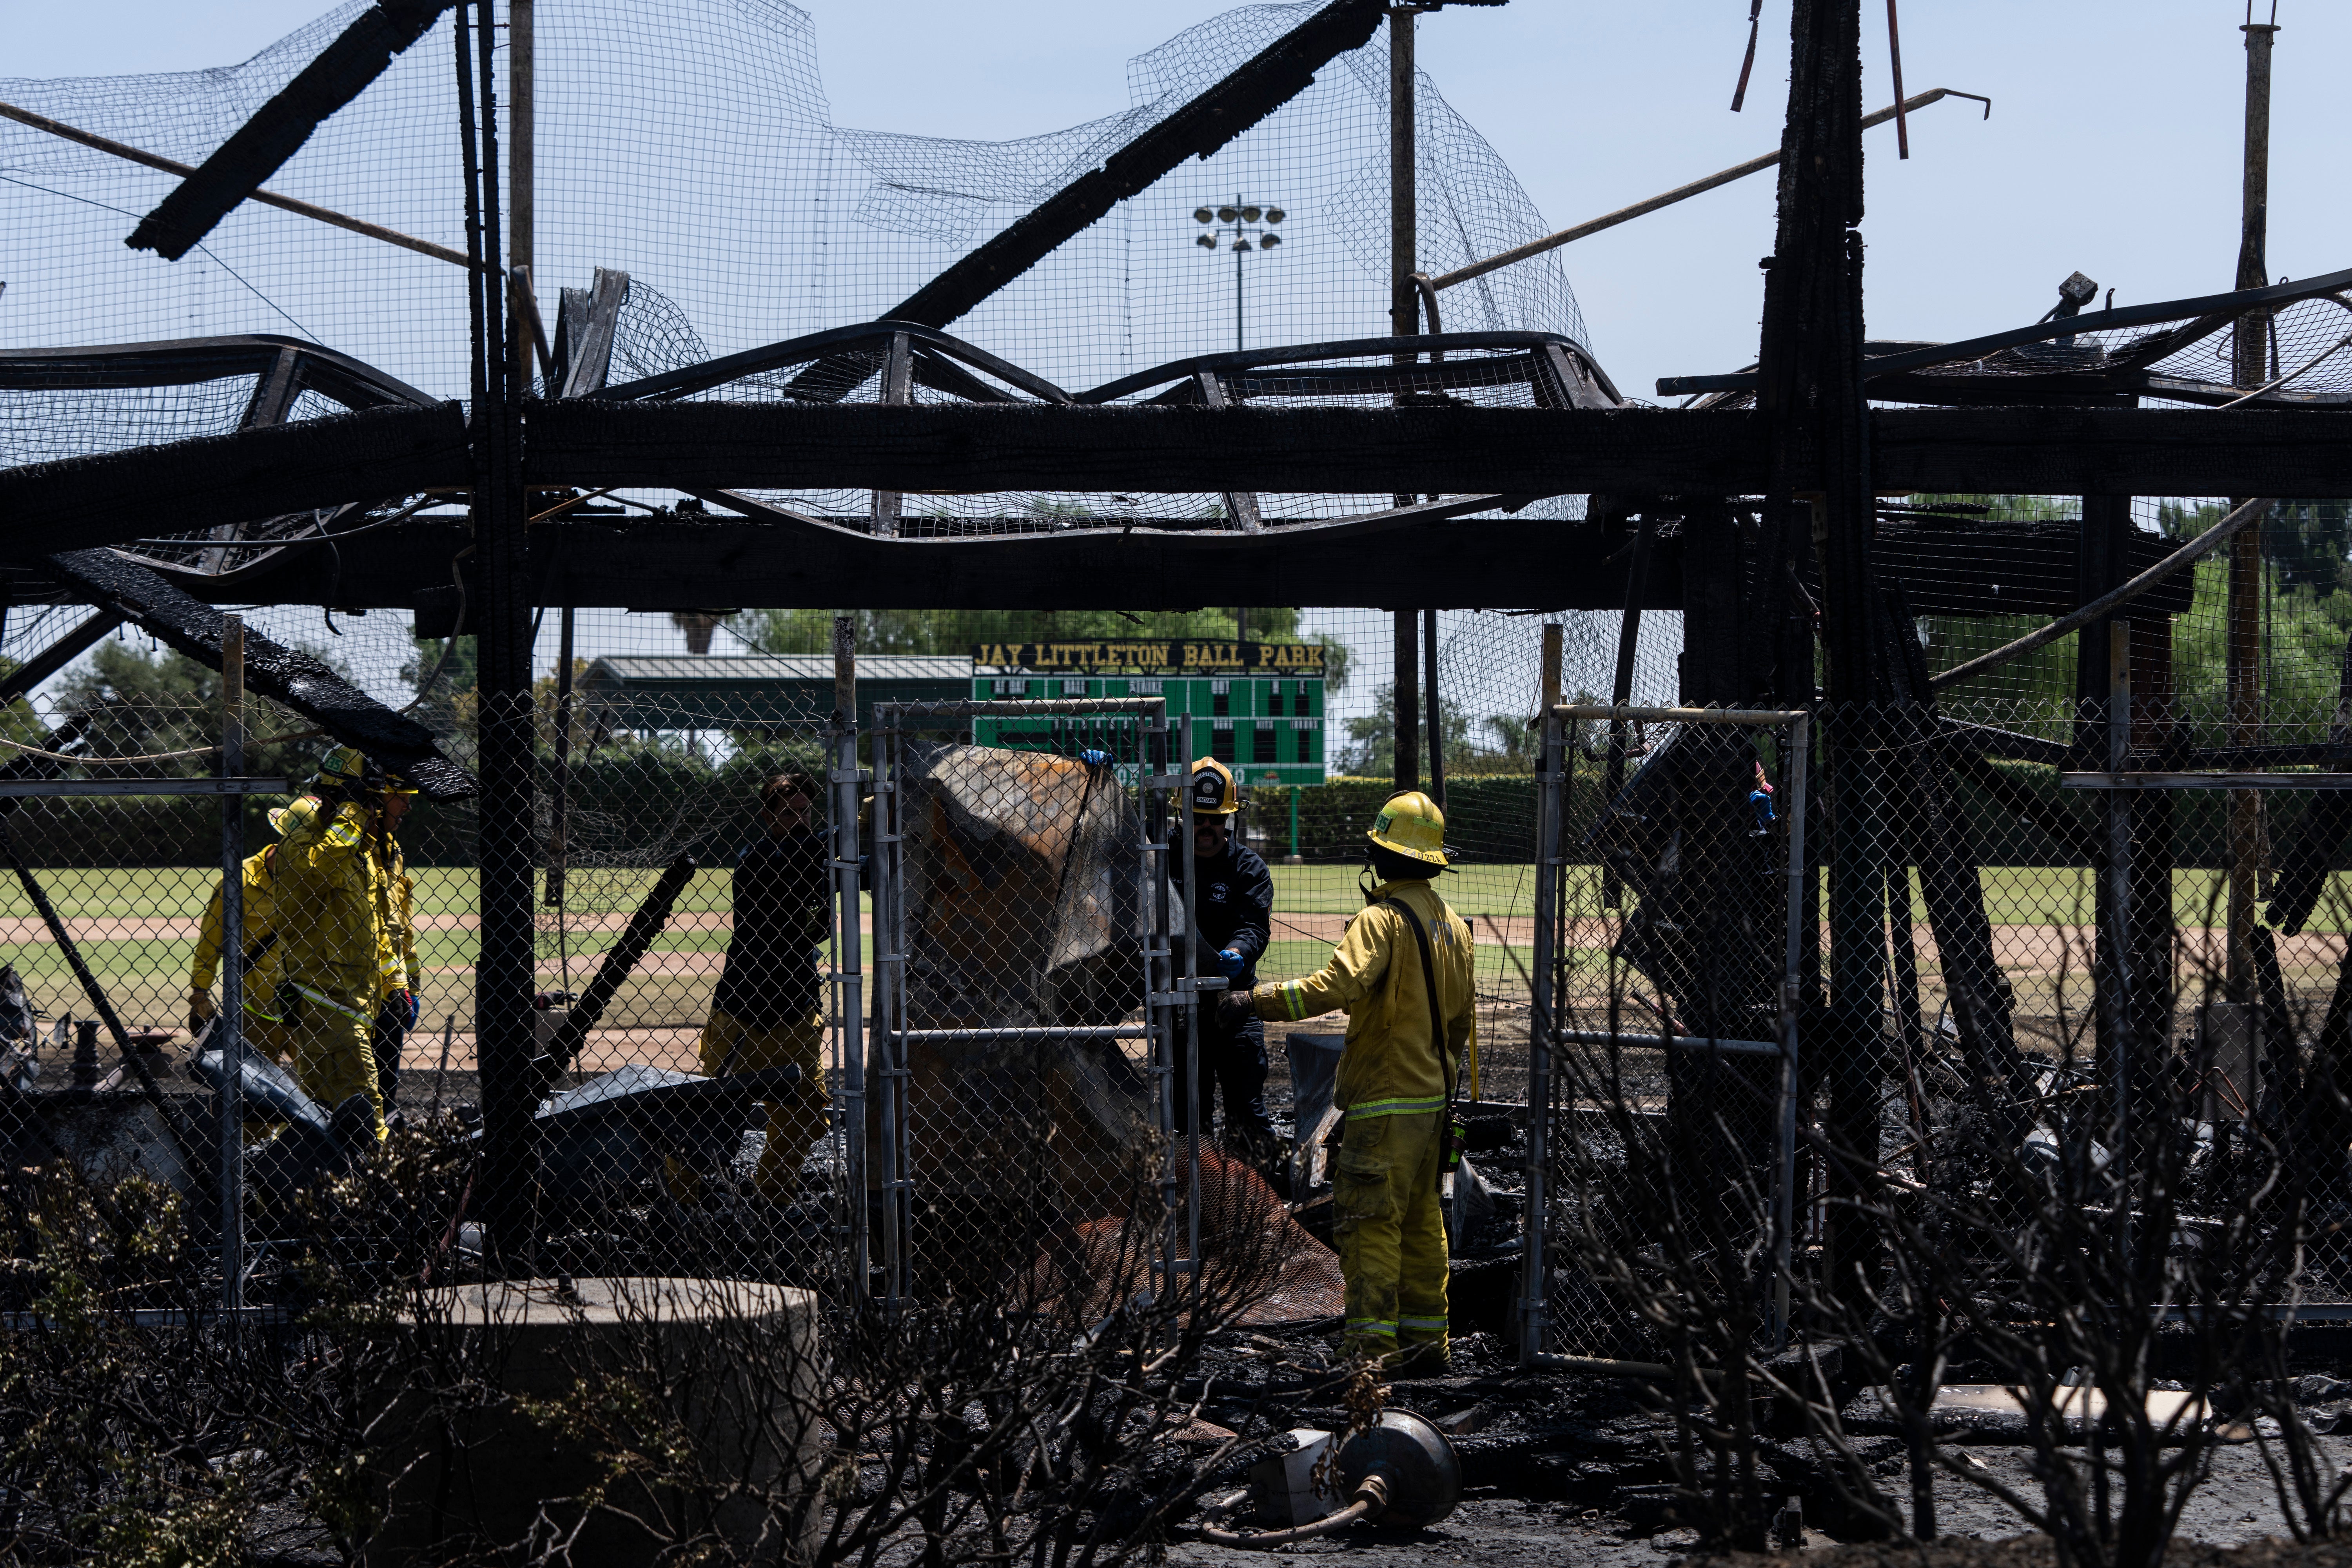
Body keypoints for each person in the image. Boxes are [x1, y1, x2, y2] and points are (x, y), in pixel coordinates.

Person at [1218, 789, 1474, 1372]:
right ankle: (1427, 1345)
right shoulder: (1454, 926)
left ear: (1379, 854)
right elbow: (1461, 1023)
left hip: (1383, 1108)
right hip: (1432, 1107)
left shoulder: (1380, 921)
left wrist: (1250, 1001)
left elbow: (1333, 987)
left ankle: (1369, 1355)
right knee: (1421, 1226)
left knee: (1370, 1230)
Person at [695, 769, 832, 1201]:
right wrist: (820, 852)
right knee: (712, 1114)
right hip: (742, 1008)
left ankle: (772, 1192)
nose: (800, 819)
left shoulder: (815, 855)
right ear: (768, 815)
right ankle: (681, 1198)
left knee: (809, 1112)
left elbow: (817, 927)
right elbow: (782, 919)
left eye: (805, 811)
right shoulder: (756, 858)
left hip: (795, 1005)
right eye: (789, 813)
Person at [264, 746, 405, 1138]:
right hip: (328, 1006)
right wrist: (353, 812)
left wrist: (397, 984)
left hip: (354, 1004)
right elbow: (319, 870)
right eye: (376, 801)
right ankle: (379, 1188)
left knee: (326, 1117)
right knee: (365, 1113)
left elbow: (379, 930)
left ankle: (330, 1188)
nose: (401, 810)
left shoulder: (358, 853)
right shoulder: (303, 849)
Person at [1169, 757, 1278, 1165]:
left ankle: (1260, 1205)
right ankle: (1196, 1203)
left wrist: (1239, 950)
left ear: (1229, 819)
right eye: (1197, 818)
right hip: (1177, 1005)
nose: (1206, 828)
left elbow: (1254, 926)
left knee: (1247, 1112)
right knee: (1185, 1118)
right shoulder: (1160, 855)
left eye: (1216, 820)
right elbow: (1110, 842)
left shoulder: (1248, 868)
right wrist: (1096, 780)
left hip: (1234, 1005)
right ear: (1181, 814)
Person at [188, 841, 289, 1067]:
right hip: (256, 1006)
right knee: (258, 1081)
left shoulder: (317, 877)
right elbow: (210, 940)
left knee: (319, 1079)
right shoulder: (236, 882)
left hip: (308, 997)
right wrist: (199, 993)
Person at [367, 770, 423, 1120]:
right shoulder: (356, 851)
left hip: (392, 990)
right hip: (358, 988)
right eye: (401, 796)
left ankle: (381, 1149)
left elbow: (402, 926)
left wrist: (410, 985)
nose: (407, 806)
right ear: (378, 800)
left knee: (387, 1081)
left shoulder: (393, 851)